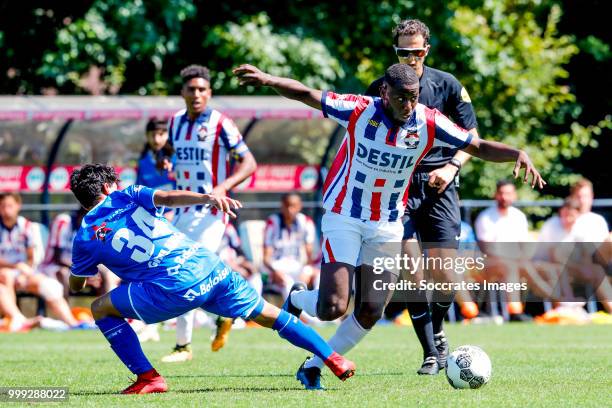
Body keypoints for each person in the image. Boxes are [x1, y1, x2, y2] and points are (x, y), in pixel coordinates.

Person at [233, 62, 545, 389]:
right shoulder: (359, 109)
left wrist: (516, 153)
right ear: (385, 92)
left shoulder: (427, 120)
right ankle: (299, 298)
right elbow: (307, 94)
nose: (407, 105)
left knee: (369, 310)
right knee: (332, 307)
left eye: (413, 97)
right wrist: (268, 79)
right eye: (401, 97)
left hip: (386, 224)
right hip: (345, 216)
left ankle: (313, 366)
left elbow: (475, 146)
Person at [67, 164, 355, 394]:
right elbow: (167, 198)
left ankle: (149, 378)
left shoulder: (84, 236)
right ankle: (332, 358)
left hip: (173, 288)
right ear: (107, 187)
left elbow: (77, 284)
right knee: (271, 315)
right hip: (210, 267)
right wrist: (207, 198)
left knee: (100, 309)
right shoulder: (127, 194)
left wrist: (80, 279)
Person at [364, 18, 482, 375]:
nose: (410, 58)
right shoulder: (379, 87)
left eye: (415, 53)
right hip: (397, 189)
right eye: (403, 52)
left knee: (444, 277)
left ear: (425, 51)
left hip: (440, 186)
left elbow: (471, 135)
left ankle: (440, 327)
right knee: (412, 274)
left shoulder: (447, 85)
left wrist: (451, 168)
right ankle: (431, 352)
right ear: (395, 51)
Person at [161, 65, 257, 362]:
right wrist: (167, 162)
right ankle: (226, 313)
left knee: (188, 269)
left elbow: (249, 163)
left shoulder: (220, 123)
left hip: (211, 211)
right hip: (180, 209)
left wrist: (222, 187)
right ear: (183, 93)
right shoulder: (175, 122)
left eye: (202, 89)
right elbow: (166, 150)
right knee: (180, 270)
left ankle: (183, 346)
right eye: (192, 89)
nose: (197, 94)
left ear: (210, 93)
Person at [0, 193, 82, 331]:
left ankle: (72, 323)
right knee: (6, 276)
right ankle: (17, 319)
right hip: (4, 274)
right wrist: (15, 267)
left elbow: (30, 257)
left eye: (10, 206)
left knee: (50, 286)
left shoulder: (26, 226)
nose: (6, 210)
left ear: (18, 206)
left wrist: (22, 272)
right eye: (2, 206)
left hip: (23, 272)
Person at [474, 180, 533, 321]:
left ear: (514, 196)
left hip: (516, 262)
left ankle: (563, 308)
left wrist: (524, 258)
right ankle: (514, 311)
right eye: (501, 193)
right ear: (496, 195)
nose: (504, 197)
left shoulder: (519, 216)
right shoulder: (485, 217)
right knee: (510, 266)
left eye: (508, 193)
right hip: (490, 265)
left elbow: (524, 245)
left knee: (541, 269)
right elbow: (486, 249)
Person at [263, 193, 319, 299]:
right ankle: (298, 315)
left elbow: (310, 257)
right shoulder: (273, 222)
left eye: (293, 206)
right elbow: (266, 259)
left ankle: (323, 311)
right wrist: (275, 271)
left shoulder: (306, 222)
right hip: (276, 267)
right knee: (288, 283)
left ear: (300, 206)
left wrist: (307, 270)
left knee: (317, 275)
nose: (290, 210)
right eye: (287, 206)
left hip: (296, 267)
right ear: (282, 206)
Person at [136, 117, 176, 221]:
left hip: (179, 214)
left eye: (161, 134)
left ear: (168, 135)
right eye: (153, 135)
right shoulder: (143, 161)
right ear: (147, 136)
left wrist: (175, 213)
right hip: (155, 218)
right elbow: (141, 192)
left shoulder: (178, 158)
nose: (156, 140)